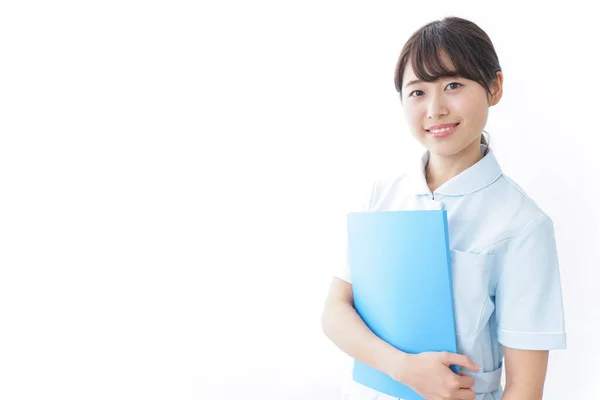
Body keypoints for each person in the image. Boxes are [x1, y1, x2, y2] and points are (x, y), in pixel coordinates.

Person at [321, 16, 567, 400]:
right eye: (417, 92)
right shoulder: (383, 194)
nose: (435, 109)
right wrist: (405, 370)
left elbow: (525, 387)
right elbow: (336, 311)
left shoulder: (523, 224)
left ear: (494, 86)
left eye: (453, 85)